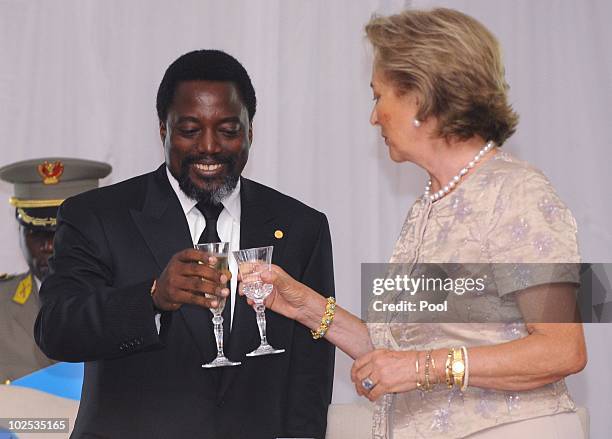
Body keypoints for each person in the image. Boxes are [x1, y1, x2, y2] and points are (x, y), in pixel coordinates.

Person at [245, 8, 587, 439]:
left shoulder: (518, 192)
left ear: (421, 97)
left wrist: (418, 367)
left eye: (378, 95)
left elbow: (562, 349)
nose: (374, 117)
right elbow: (394, 354)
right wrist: (301, 306)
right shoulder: (427, 205)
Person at [34, 50, 335, 439]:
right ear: (163, 130)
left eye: (228, 130)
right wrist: (152, 299)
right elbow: (56, 330)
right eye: (190, 130)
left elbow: (309, 375)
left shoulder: (300, 227)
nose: (209, 147)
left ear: (250, 132)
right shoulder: (97, 216)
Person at [0, 158, 111, 383]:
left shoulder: (138, 298)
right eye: (35, 232)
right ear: (19, 231)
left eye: (60, 233)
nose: (49, 246)